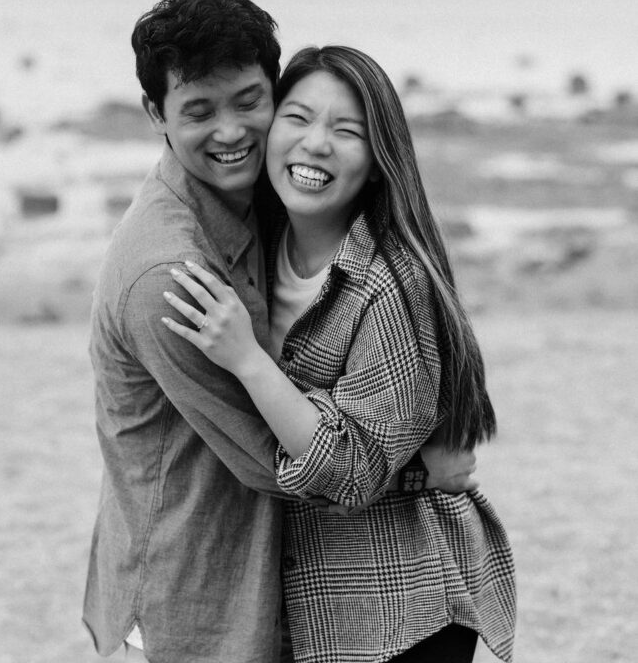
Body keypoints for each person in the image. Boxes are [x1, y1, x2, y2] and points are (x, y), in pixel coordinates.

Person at [83, 0, 480, 663]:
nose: (232, 132)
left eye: (248, 103)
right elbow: (271, 461)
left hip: (306, 594)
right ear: (156, 113)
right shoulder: (170, 276)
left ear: (272, 91)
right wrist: (421, 465)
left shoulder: (267, 213)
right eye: (198, 111)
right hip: (193, 593)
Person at [162, 44, 517, 663]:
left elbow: (352, 471)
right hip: (305, 606)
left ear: (379, 162)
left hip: (399, 613)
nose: (315, 144)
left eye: (345, 131)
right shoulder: (255, 244)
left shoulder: (389, 287)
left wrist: (247, 359)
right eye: (296, 118)